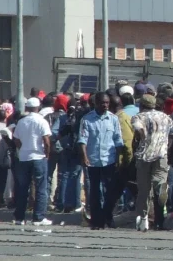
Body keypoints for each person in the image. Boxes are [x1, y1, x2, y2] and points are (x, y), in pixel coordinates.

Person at [131, 94, 173, 232]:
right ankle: (160, 216)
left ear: (141, 106)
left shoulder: (138, 117)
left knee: (144, 190)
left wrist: (143, 137)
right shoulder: (165, 117)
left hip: (144, 156)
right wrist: (168, 149)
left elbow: (138, 128)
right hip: (161, 155)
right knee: (160, 183)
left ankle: (143, 220)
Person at [78, 92, 123, 230]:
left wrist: (118, 159)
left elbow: (118, 141)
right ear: (96, 103)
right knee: (95, 192)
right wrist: (85, 157)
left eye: (107, 103)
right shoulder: (87, 119)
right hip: (93, 161)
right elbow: (82, 141)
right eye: (102, 103)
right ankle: (97, 221)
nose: (105, 105)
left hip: (109, 160)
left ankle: (108, 217)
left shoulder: (113, 119)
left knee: (110, 192)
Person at [13, 97, 52, 226]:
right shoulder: (42, 121)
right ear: (38, 107)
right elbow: (46, 141)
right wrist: (46, 155)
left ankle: (19, 218)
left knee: (22, 188)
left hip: (24, 158)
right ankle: (38, 217)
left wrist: (23, 149)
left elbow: (16, 140)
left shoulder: (21, 122)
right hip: (38, 157)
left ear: (27, 108)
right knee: (41, 187)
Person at [54, 99, 82, 213]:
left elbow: (55, 132)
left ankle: (62, 203)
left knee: (64, 176)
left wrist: (61, 143)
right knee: (76, 177)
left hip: (65, 149)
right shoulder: (80, 118)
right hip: (78, 150)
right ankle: (76, 203)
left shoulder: (63, 118)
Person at [109, 96, 135, 216]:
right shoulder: (122, 117)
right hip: (125, 162)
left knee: (115, 191)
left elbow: (127, 143)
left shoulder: (120, 119)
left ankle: (106, 217)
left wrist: (127, 163)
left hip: (124, 163)